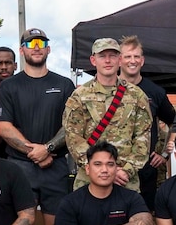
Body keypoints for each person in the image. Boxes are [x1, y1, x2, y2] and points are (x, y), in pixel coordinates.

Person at [0, 29, 76, 225]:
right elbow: (3, 127)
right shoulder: (9, 87)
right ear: (22, 51)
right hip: (20, 168)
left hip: (56, 167)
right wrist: (34, 151)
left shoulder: (64, 85)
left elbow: (72, 125)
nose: (36, 47)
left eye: (42, 43)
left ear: (49, 49)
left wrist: (49, 148)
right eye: (30, 43)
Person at [61, 38, 154, 200]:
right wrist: (97, 169)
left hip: (125, 180)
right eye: (102, 56)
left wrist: (126, 170)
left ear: (119, 60)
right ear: (93, 60)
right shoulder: (80, 96)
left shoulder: (136, 95)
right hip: (89, 180)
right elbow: (73, 138)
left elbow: (142, 138)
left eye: (112, 55)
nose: (108, 60)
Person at [119, 36, 176, 208]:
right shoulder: (109, 88)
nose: (132, 61)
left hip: (145, 171)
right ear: (120, 59)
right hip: (114, 168)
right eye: (128, 56)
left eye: (136, 57)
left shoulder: (155, 92)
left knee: (142, 218)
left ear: (142, 61)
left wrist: (165, 154)